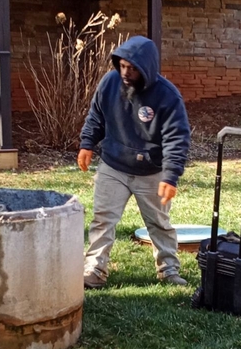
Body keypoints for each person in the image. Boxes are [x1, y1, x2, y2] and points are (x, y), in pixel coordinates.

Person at [78, 34, 191, 289]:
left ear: (146, 68)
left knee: (159, 223)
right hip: (113, 165)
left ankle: (169, 270)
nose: (126, 72)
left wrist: (170, 176)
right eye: (122, 66)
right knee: (103, 219)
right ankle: (95, 269)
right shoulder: (110, 82)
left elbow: (177, 137)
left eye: (132, 68)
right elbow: (96, 115)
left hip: (151, 171)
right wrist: (87, 144)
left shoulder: (167, 96)